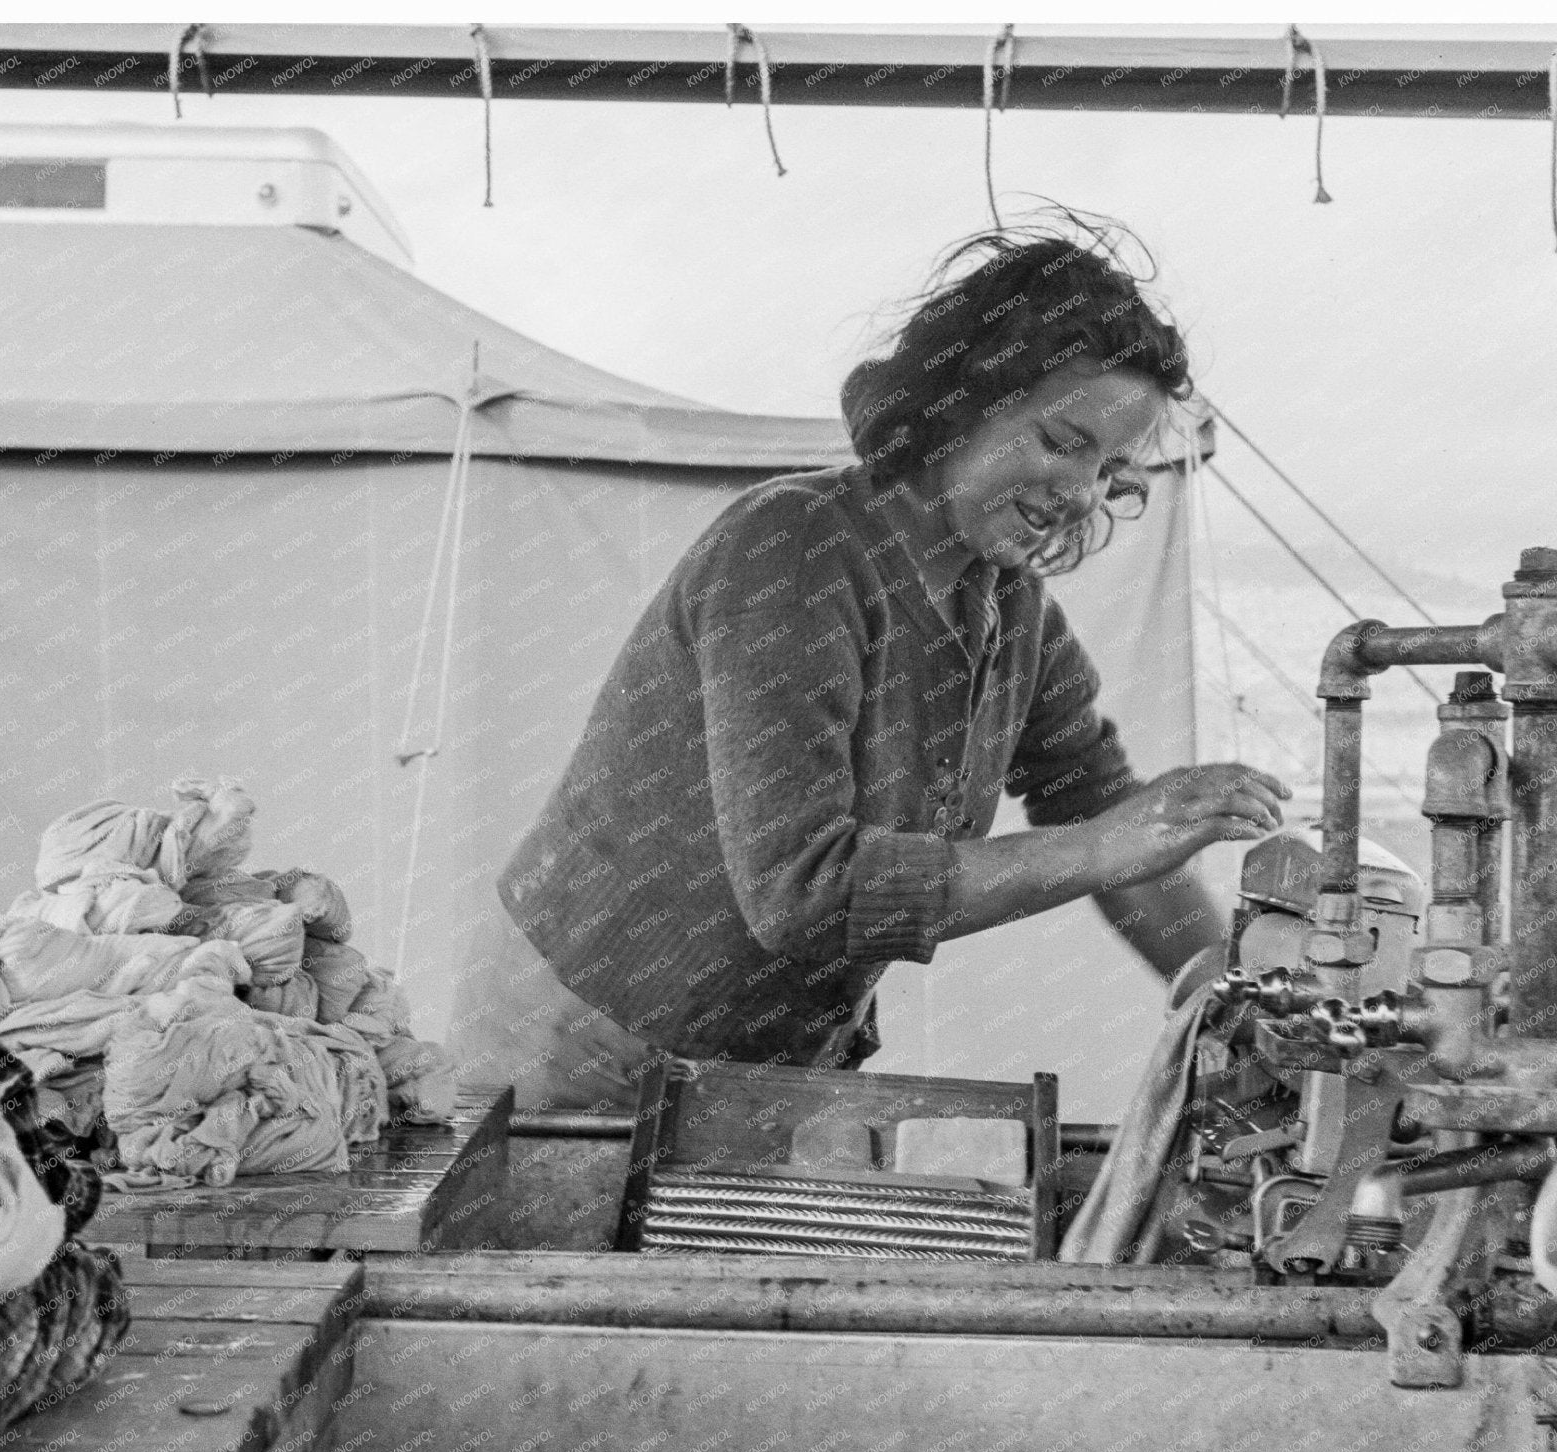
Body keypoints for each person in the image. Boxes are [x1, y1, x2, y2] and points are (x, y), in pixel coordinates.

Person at [449, 214, 1289, 1113]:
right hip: (579, 1043)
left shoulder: (1012, 613)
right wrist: (1099, 847)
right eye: (1061, 441)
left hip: (758, 1061)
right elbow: (804, 894)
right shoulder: (794, 549)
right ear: (963, 399)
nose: (1082, 494)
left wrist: (1239, 997)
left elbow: (1124, 833)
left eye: (1112, 467)